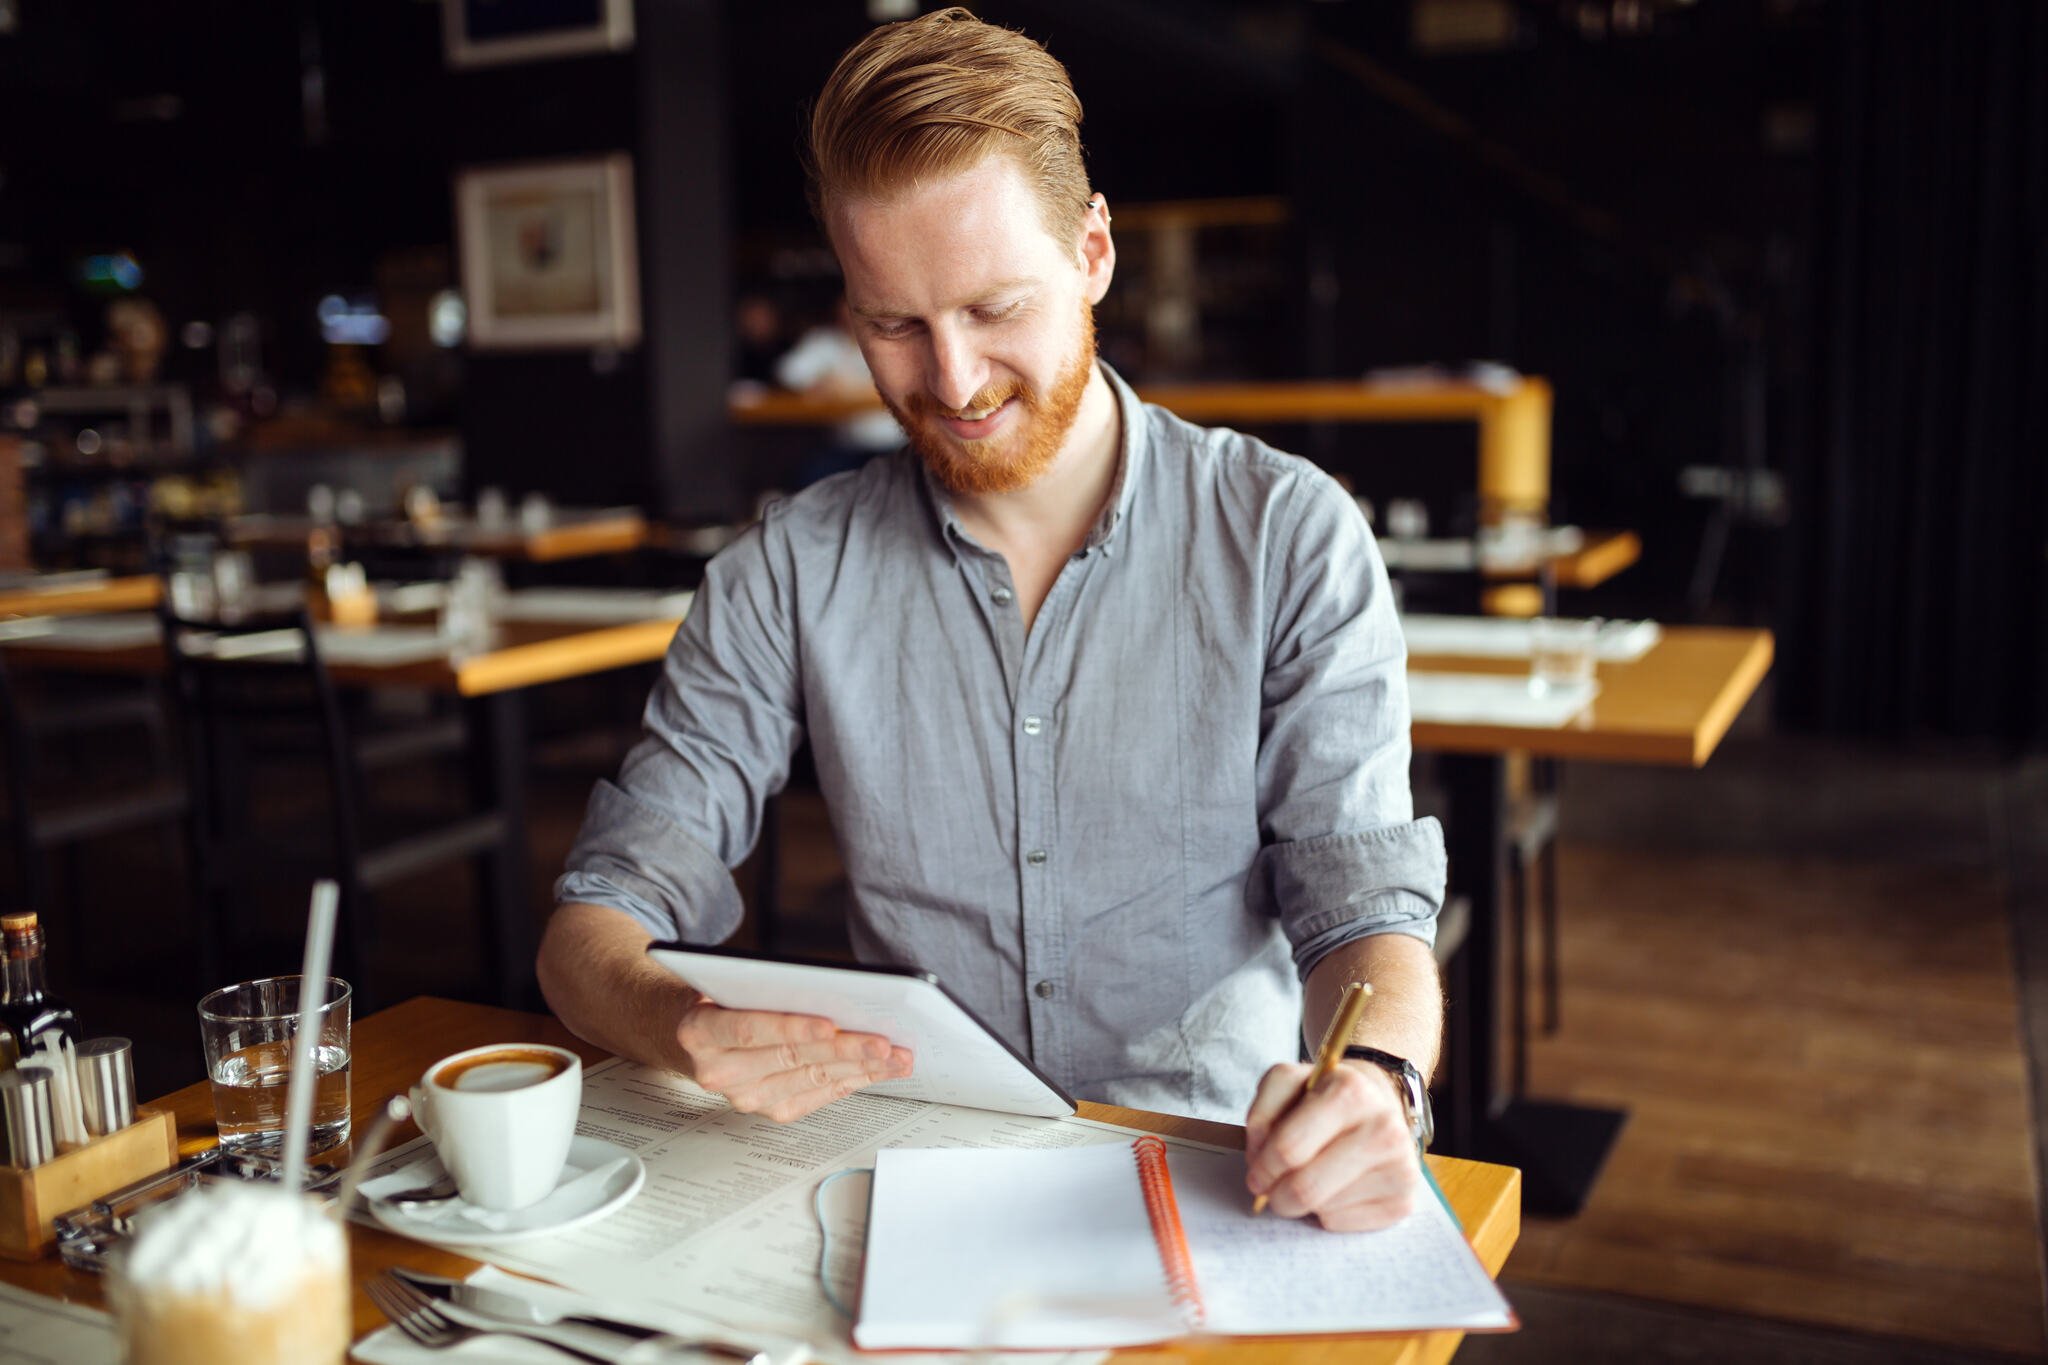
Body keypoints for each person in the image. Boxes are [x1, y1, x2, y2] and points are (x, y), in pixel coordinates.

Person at [540, 7, 1446, 1233]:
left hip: (1216, 1173)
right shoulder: (785, 571)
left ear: (1092, 254)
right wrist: (677, 1021)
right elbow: (597, 919)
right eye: (893, 324)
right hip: (916, 1171)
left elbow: (1362, 914)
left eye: (992, 307)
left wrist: (1376, 1081)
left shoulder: (1288, 534)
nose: (953, 382)